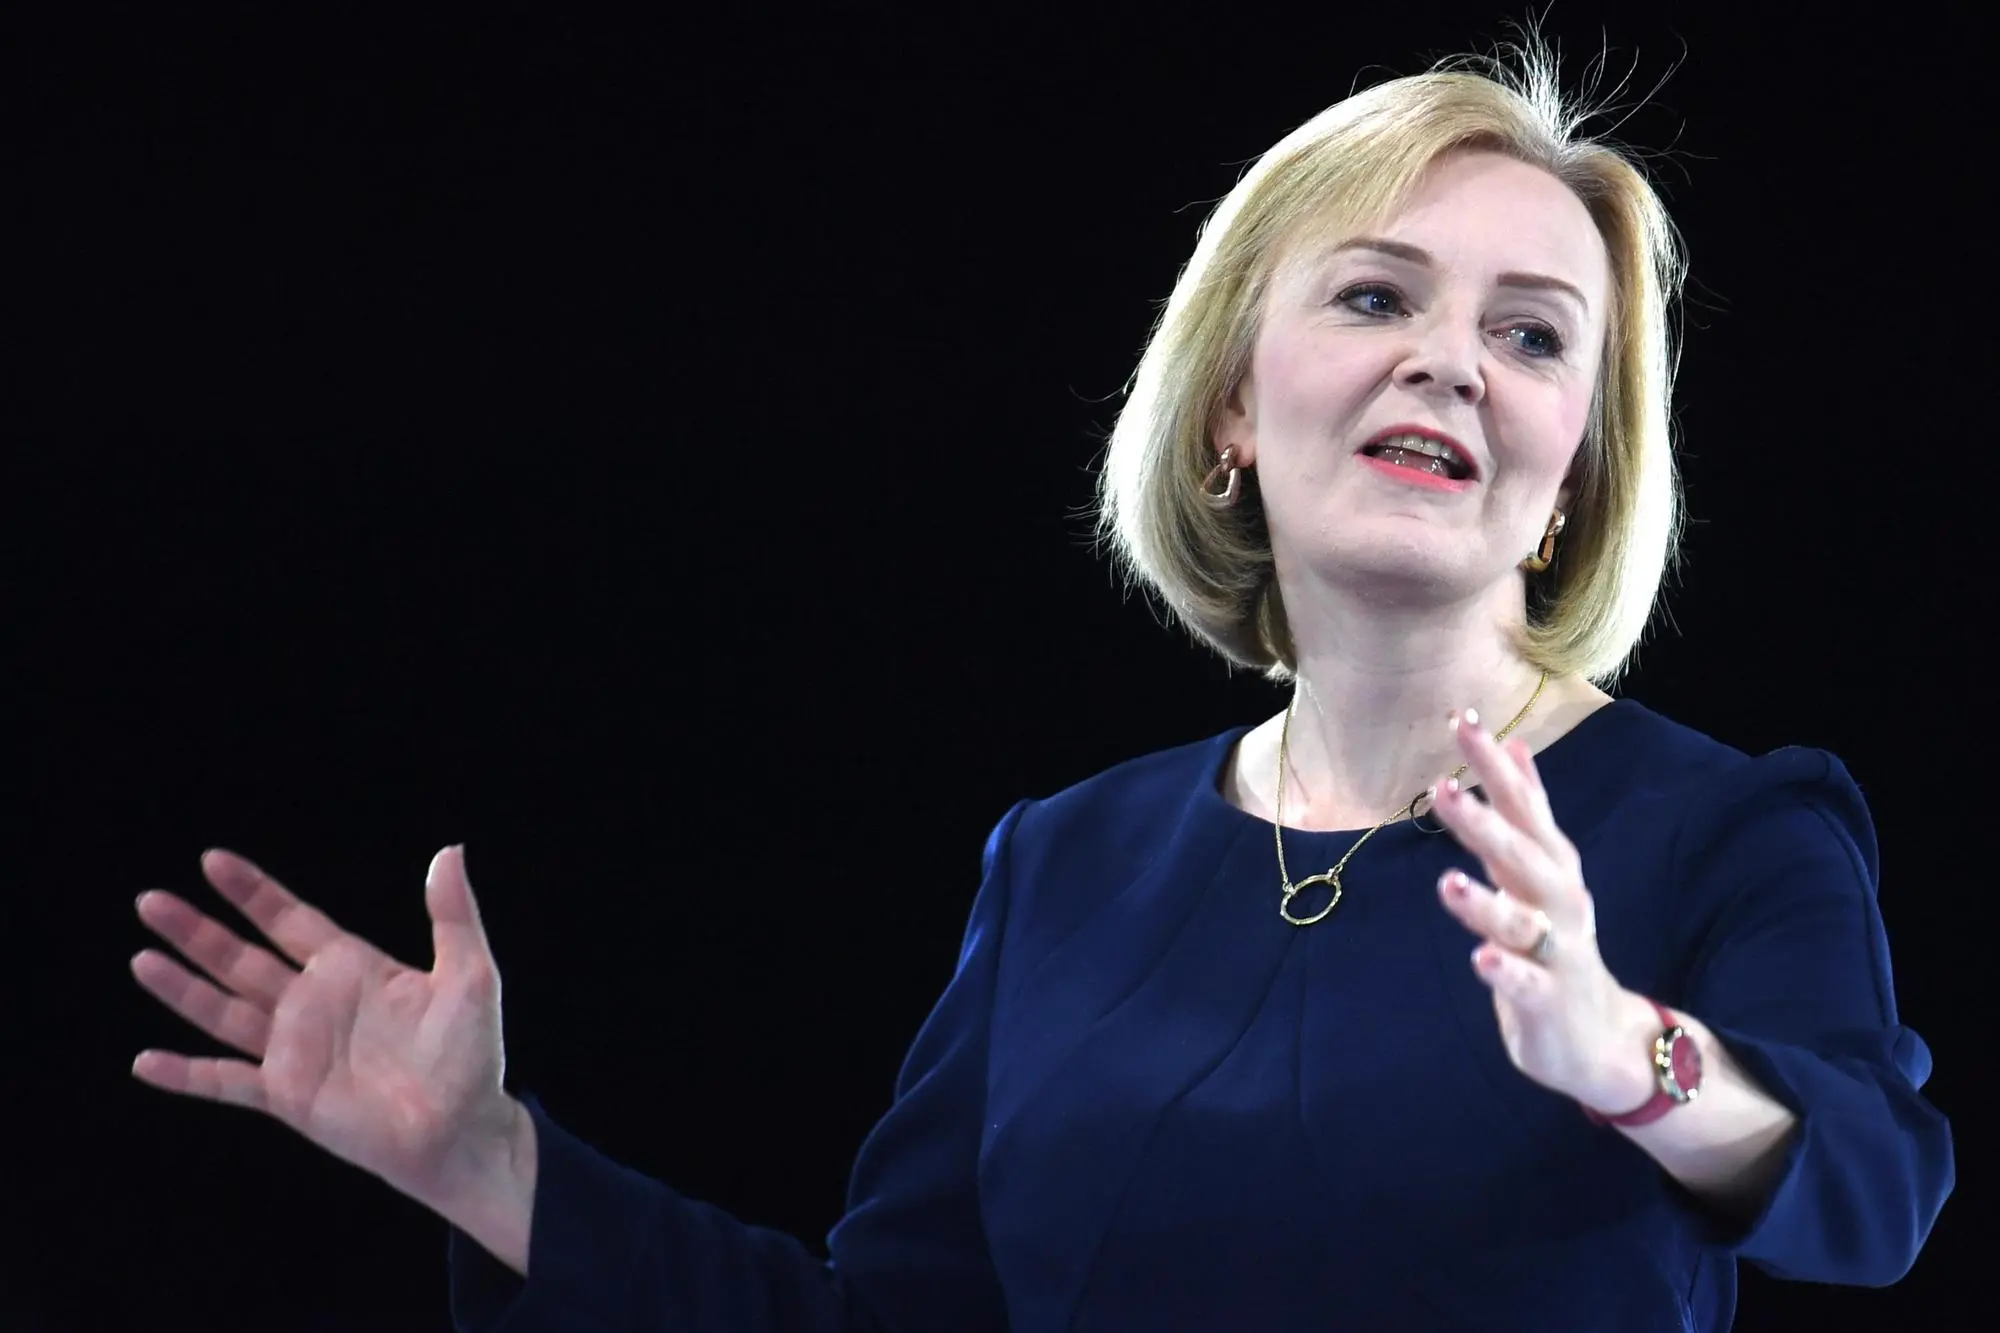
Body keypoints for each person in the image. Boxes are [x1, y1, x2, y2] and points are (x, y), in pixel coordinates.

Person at [129, 44, 1954, 1333]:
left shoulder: (1732, 830)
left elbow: (1873, 1199)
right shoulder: (1067, 865)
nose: (1454, 366)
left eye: (1531, 334)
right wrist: (486, 1163)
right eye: (1378, 299)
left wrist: (1623, 1055)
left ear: (1573, 475)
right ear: (1235, 409)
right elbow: (892, 1323)